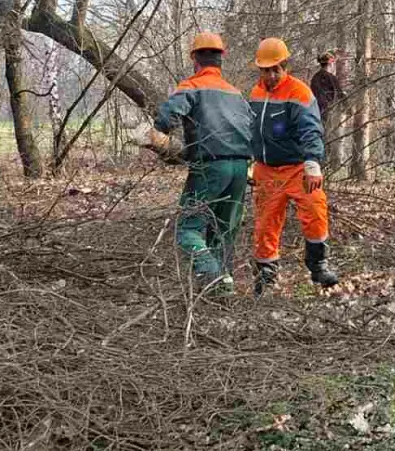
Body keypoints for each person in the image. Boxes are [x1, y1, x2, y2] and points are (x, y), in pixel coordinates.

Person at [131, 32, 254, 291]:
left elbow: (167, 118)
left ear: (194, 59)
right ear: (221, 59)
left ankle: (211, 273)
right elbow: (250, 126)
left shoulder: (192, 86)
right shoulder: (235, 93)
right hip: (241, 167)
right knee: (223, 231)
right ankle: (224, 288)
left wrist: (157, 134)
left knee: (188, 228)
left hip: (211, 166)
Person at [248, 37, 339, 294]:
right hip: (266, 169)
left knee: (315, 211)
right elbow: (250, 131)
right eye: (266, 70)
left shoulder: (299, 92)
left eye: (276, 69)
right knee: (265, 222)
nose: (272, 75)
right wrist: (249, 161)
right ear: (260, 70)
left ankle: (318, 264)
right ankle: (266, 272)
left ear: (284, 66)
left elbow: (310, 129)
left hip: (298, 167)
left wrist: (312, 163)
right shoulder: (255, 93)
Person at [310, 51, 346, 165]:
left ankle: (321, 162)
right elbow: (340, 95)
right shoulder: (331, 78)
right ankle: (330, 164)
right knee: (330, 137)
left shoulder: (314, 78)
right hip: (329, 112)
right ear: (331, 64)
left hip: (315, 112)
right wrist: (348, 108)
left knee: (319, 136)